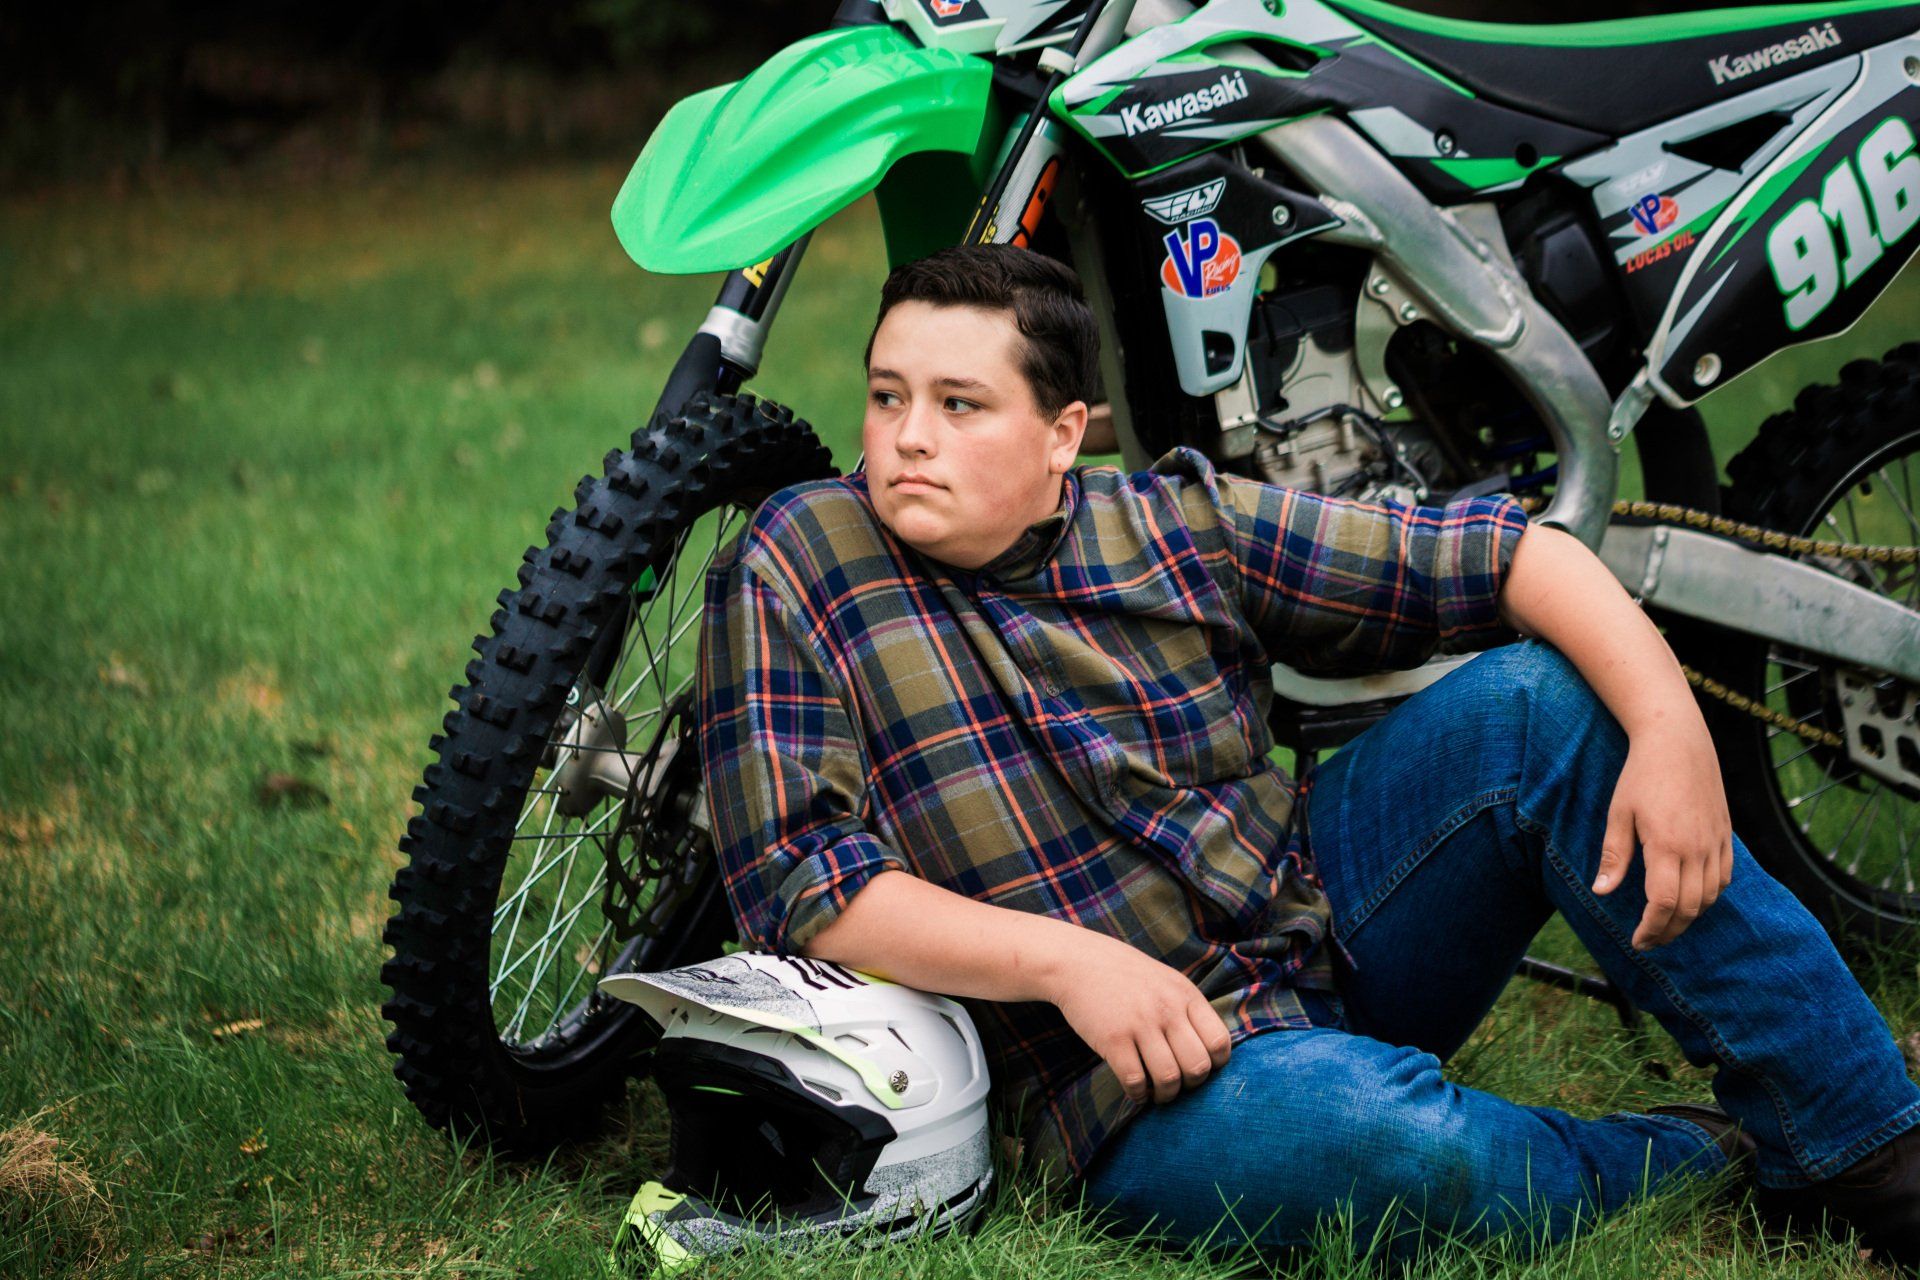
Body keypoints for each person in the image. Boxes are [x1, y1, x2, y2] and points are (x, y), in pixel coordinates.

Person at [693, 243, 1920, 1268]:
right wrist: (1070, 965)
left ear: (1062, 432)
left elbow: (1502, 558)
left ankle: (1871, 1148)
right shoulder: (799, 558)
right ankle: (1709, 1156)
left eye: (959, 405)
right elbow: (806, 880)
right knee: (1364, 1143)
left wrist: (1672, 728)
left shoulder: (1172, 521)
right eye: (888, 394)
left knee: (1535, 705)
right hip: (1121, 1081)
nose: (907, 437)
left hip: (1323, 926)